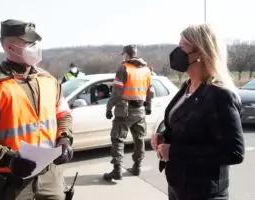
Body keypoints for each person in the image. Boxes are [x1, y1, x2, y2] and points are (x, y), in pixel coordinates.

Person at [0, 19, 74, 200]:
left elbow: (63, 114)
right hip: (14, 179)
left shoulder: (49, 80)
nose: (34, 47)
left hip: (51, 176)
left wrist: (65, 139)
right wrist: (9, 158)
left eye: (35, 42)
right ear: (9, 47)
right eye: (28, 42)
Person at [151, 24, 245, 200]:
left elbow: (234, 152)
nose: (175, 53)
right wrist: (164, 136)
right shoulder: (187, 86)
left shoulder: (220, 95)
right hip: (179, 186)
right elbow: (184, 127)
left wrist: (175, 152)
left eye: (182, 48)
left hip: (203, 192)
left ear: (200, 53)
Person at [103, 45, 153, 181]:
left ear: (126, 54)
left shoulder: (123, 68)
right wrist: (149, 105)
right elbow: (150, 90)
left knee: (118, 139)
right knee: (139, 139)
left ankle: (117, 170)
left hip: (124, 110)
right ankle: (137, 166)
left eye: (123, 54)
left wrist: (109, 108)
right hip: (140, 110)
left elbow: (116, 92)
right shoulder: (146, 70)